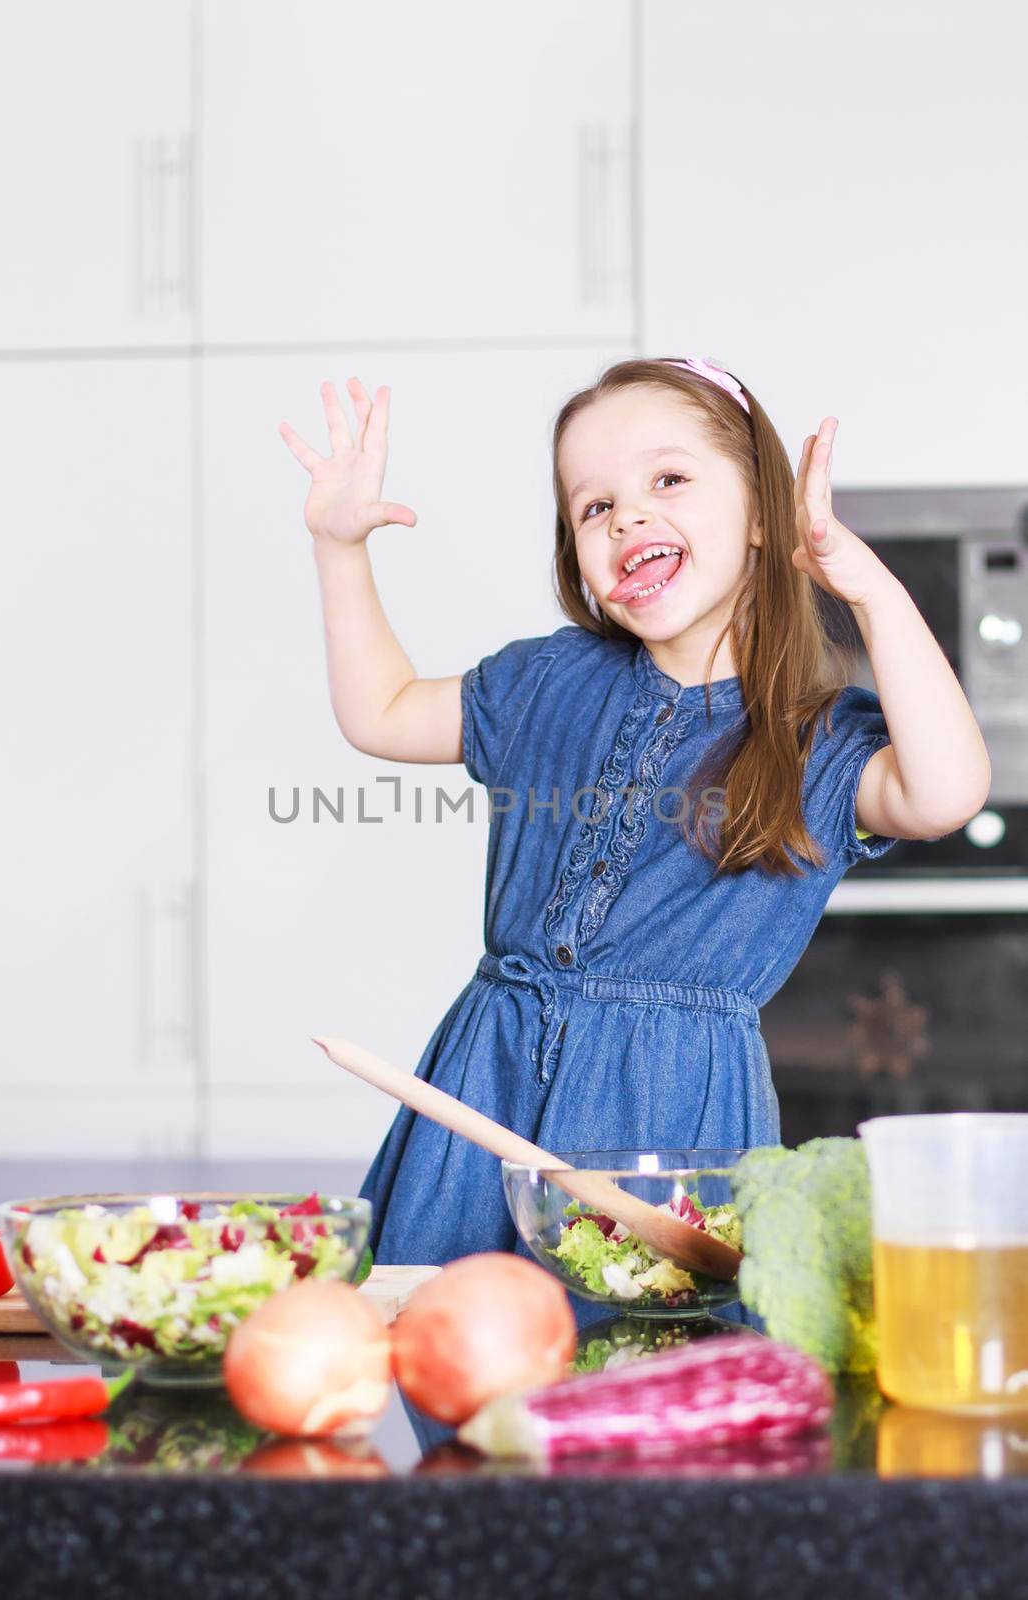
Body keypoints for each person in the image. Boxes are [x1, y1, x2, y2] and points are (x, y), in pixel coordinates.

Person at [279, 356, 991, 1326]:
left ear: (760, 514)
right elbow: (384, 710)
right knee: (439, 1354)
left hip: (669, 1117)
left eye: (666, 480)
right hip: (480, 1091)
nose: (623, 516)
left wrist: (867, 589)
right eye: (590, 505)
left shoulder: (815, 739)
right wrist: (337, 549)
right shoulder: (546, 682)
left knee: (644, 1381)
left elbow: (943, 791)